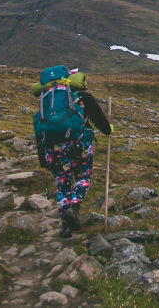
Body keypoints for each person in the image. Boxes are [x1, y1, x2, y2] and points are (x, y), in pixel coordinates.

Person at [37, 80, 112, 238]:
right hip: (79, 145)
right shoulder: (83, 97)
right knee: (83, 177)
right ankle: (74, 207)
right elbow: (101, 122)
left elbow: (41, 126)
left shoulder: (48, 99)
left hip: (53, 148)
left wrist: (42, 158)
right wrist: (108, 129)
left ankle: (66, 226)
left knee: (62, 182)